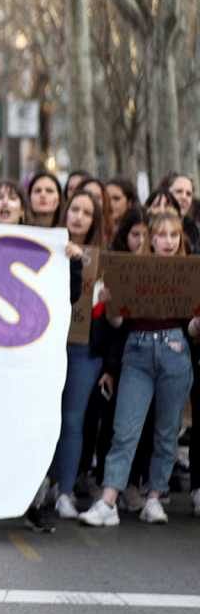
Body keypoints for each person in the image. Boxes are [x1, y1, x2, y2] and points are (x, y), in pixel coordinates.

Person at [80, 209, 200, 526]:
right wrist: (110, 301)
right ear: (150, 238)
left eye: (174, 235)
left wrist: (197, 323)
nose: (168, 241)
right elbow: (118, 321)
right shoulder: (133, 269)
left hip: (174, 349)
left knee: (166, 431)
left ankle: (154, 497)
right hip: (137, 349)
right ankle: (108, 499)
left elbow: (191, 327)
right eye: (161, 235)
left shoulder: (189, 272)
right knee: (125, 429)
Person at [48, 190, 98, 520]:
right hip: (47, 344)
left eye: (87, 212)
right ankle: (40, 484)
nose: (78, 216)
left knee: (72, 419)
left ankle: (64, 491)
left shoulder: (101, 256)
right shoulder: (46, 244)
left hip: (83, 348)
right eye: (74, 209)